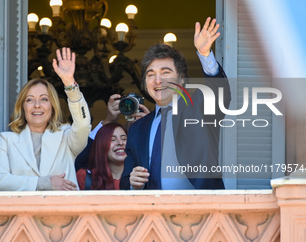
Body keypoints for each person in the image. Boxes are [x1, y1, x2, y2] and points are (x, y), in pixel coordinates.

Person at [120, 17, 231, 190]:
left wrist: (204, 54)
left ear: (181, 78)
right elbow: (126, 182)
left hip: (201, 211)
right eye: (150, 75)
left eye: (165, 72)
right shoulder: (137, 129)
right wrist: (133, 183)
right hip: (153, 213)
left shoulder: (199, 108)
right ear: (144, 84)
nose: (158, 80)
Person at [0, 48, 91, 191]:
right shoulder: (6, 140)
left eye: (44, 99)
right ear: (23, 107)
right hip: (22, 213)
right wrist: (44, 183)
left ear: (52, 106)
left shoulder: (66, 137)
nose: (37, 105)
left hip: (63, 212)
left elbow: (83, 125)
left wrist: (69, 83)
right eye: (30, 100)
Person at [75, 93, 150, 171]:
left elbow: (163, 169)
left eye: (123, 139)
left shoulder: (147, 170)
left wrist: (150, 129)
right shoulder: (89, 176)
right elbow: (80, 160)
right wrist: (108, 120)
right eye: (112, 139)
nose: (120, 143)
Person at [76, 123, 127, 190]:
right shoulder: (84, 177)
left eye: (124, 138)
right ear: (100, 145)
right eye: (112, 139)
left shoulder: (139, 177)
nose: (120, 143)